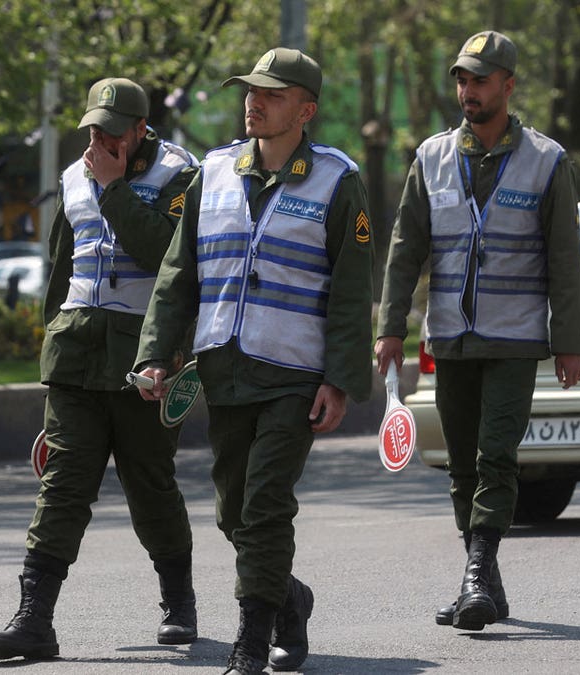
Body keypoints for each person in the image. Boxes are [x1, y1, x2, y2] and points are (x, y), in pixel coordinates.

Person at [134, 48, 374, 674]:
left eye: (271, 93)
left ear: (306, 110)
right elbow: (178, 274)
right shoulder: (212, 172)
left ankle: (250, 642)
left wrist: (340, 381)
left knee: (265, 506)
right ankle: (290, 600)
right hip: (225, 369)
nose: (254, 102)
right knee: (234, 514)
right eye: (250, 91)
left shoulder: (337, 180)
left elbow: (352, 292)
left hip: (295, 374)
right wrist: (157, 353)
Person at [374, 30, 580, 632]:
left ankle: (474, 576)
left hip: (514, 338)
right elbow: (404, 248)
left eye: (481, 80)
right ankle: (486, 583)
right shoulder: (432, 157)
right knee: (461, 466)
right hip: (450, 336)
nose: (468, 91)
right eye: (463, 80)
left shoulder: (547, 161)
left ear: (508, 85)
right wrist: (389, 327)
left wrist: (570, 341)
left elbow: (565, 260)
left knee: (496, 457)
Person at [0, 77, 200, 660]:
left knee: (149, 484)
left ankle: (178, 600)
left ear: (140, 130)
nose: (101, 141)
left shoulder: (180, 175)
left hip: (144, 355)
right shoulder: (73, 176)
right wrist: (51, 336)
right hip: (75, 352)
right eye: (95, 129)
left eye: (114, 132)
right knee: (63, 485)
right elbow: (62, 267)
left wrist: (114, 188)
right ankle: (34, 618)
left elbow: (169, 255)